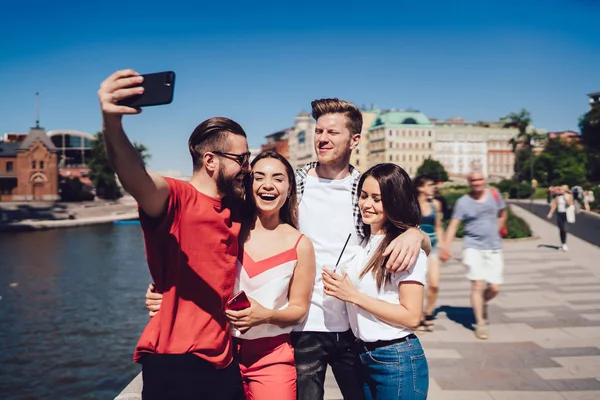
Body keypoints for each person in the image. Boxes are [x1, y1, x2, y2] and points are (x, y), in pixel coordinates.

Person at [146, 98, 431, 400]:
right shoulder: (288, 183)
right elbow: (210, 230)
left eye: (333, 133)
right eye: (319, 130)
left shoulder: (365, 190)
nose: (322, 138)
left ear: (355, 140)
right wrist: (169, 287)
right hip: (303, 326)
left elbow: (394, 228)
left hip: (352, 329)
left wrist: (416, 235)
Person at [98, 69, 249, 400]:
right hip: (177, 362)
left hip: (223, 359)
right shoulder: (177, 198)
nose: (247, 168)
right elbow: (133, 174)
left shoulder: (235, 207)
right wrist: (112, 123)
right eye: (241, 159)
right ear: (211, 161)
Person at [322, 163, 429, 400]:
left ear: (394, 201)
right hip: (363, 355)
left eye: (377, 199)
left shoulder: (404, 249)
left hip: (396, 358)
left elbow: (411, 317)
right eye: (363, 196)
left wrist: (353, 295)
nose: (366, 204)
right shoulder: (363, 242)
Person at [221, 150, 315, 400]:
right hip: (220, 355)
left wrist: (266, 315)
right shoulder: (230, 231)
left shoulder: (300, 244)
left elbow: (298, 308)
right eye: (259, 177)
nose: (268, 185)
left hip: (272, 358)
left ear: (290, 188)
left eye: (278, 178)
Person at [440, 171, 507, 340]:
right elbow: (454, 225)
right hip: (473, 247)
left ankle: (481, 302)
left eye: (480, 179)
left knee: (494, 287)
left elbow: (502, 213)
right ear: (469, 182)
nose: (477, 183)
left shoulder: (494, 194)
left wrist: (497, 229)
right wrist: (445, 247)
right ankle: (480, 323)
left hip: (493, 247)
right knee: (477, 284)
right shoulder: (463, 202)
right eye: (473, 180)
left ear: (484, 180)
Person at [414, 175, 445, 331]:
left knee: (434, 284)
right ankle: (418, 316)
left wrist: (444, 246)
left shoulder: (436, 205)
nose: (433, 187)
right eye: (430, 185)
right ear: (420, 187)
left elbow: (438, 226)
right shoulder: (412, 205)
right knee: (417, 284)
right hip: (417, 248)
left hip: (433, 247)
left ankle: (429, 312)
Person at [547, 185, 573, 251]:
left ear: (566, 190)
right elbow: (554, 205)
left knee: (564, 229)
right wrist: (551, 213)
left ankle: (564, 244)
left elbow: (569, 203)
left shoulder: (569, 195)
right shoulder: (558, 197)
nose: (560, 190)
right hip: (559, 214)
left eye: (562, 189)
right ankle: (563, 243)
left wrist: (565, 197)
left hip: (566, 214)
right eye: (560, 189)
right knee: (561, 229)